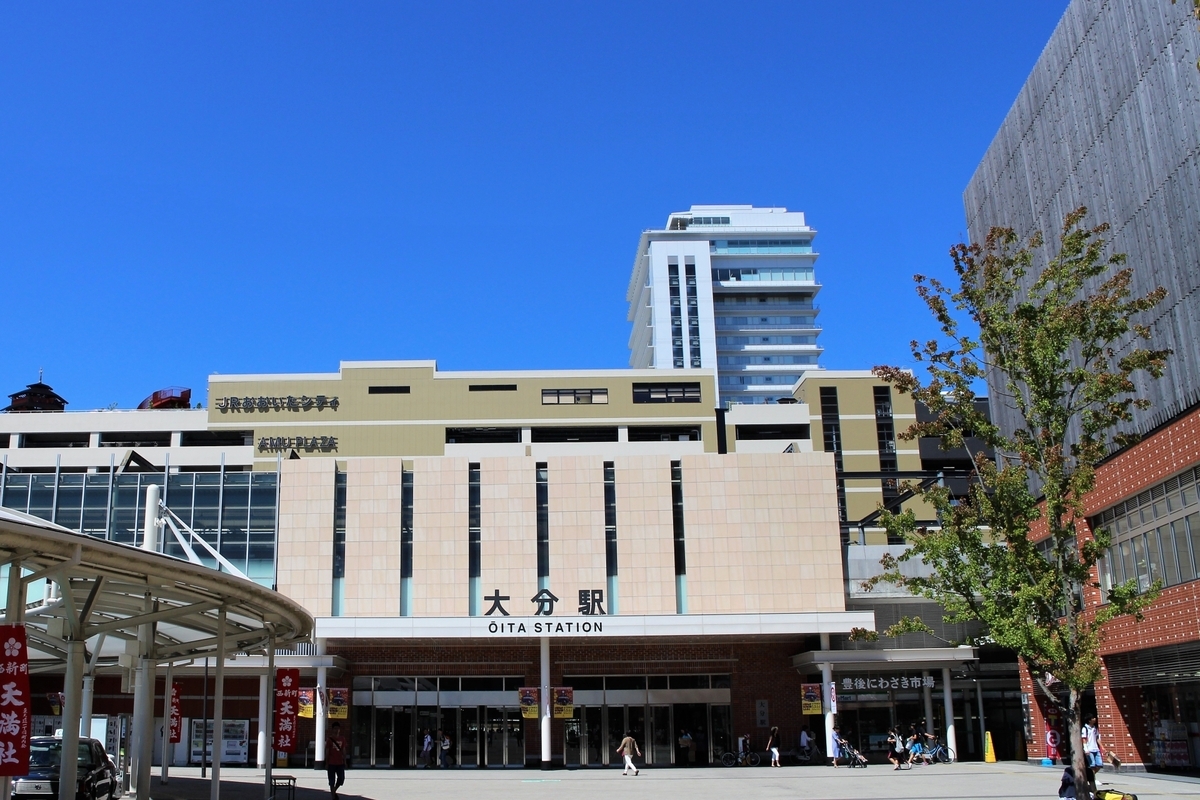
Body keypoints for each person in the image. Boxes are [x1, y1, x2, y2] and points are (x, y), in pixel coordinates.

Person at [325, 722, 347, 800]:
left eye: (338, 728)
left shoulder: (342, 739)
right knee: (332, 780)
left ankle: (333, 791)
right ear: (332, 729)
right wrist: (326, 763)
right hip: (331, 763)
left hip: (340, 762)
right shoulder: (329, 740)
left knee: (341, 779)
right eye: (335, 728)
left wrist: (345, 760)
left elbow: (344, 750)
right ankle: (333, 797)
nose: (337, 730)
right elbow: (327, 751)